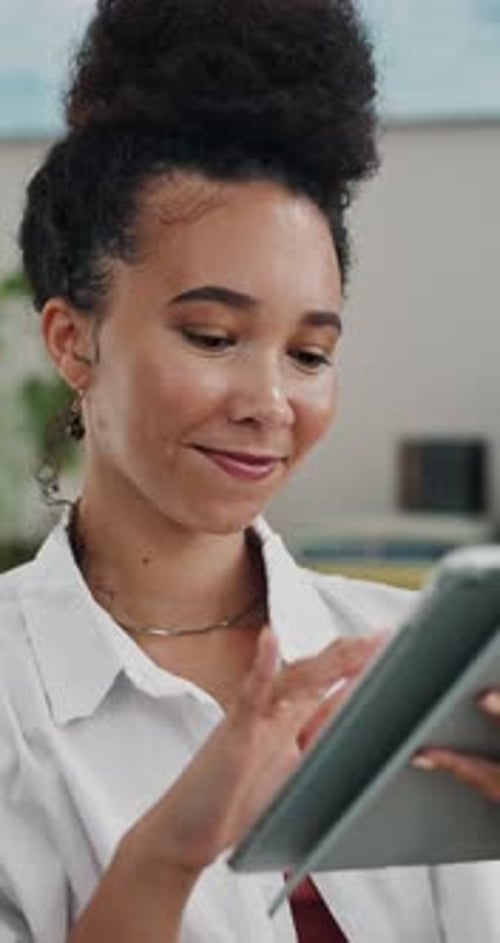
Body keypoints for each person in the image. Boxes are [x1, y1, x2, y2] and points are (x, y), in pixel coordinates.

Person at [1, 1, 499, 940]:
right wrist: (165, 856)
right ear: (73, 340)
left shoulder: (413, 661)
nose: (270, 401)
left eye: (309, 354)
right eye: (214, 336)